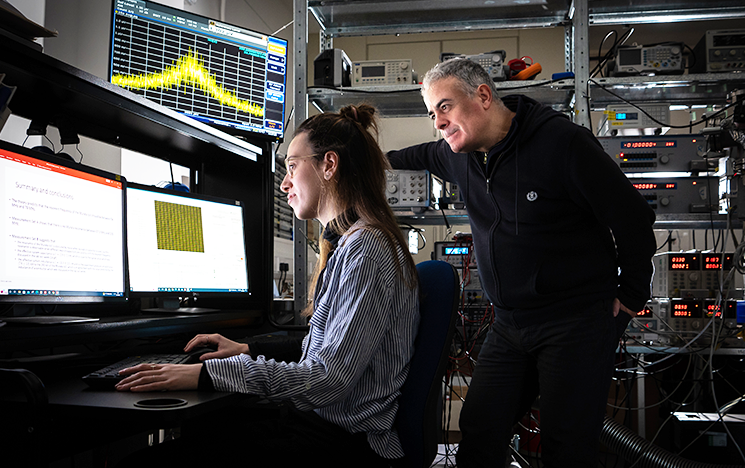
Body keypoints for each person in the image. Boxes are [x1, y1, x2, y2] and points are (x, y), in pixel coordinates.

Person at [116, 104, 419, 468]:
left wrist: (205, 373)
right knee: (207, 429)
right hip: (323, 428)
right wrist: (247, 346)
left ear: (329, 165)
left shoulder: (366, 250)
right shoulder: (354, 242)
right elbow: (317, 350)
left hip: (345, 444)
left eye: (292, 166)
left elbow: (327, 379)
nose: (285, 182)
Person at [387, 58, 656, 467]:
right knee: (479, 430)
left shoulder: (562, 143)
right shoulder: (458, 153)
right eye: (430, 113)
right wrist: (364, 162)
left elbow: (633, 217)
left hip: (576, 322)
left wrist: (633, 293)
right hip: (511, 325)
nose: (437, 122)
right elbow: (412, 156)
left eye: (444, 106)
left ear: (482, 95)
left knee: (565, 447)